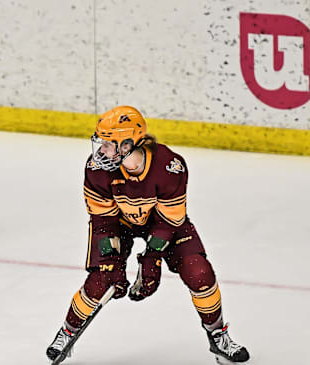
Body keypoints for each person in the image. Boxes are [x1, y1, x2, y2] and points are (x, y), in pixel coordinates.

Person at [46, 106, 250, 364]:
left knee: (199, 272)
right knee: (101, 281)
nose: (101, 151)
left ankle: (218, 336)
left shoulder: (169, 166)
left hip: (162, 223)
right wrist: (112, 261)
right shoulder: (97, 169)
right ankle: (67, 331)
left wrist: (152, 257)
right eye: (101, 143)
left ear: (128, 143)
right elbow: (102, 220)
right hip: (118, 223)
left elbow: (170, 220)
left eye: (108, 144)